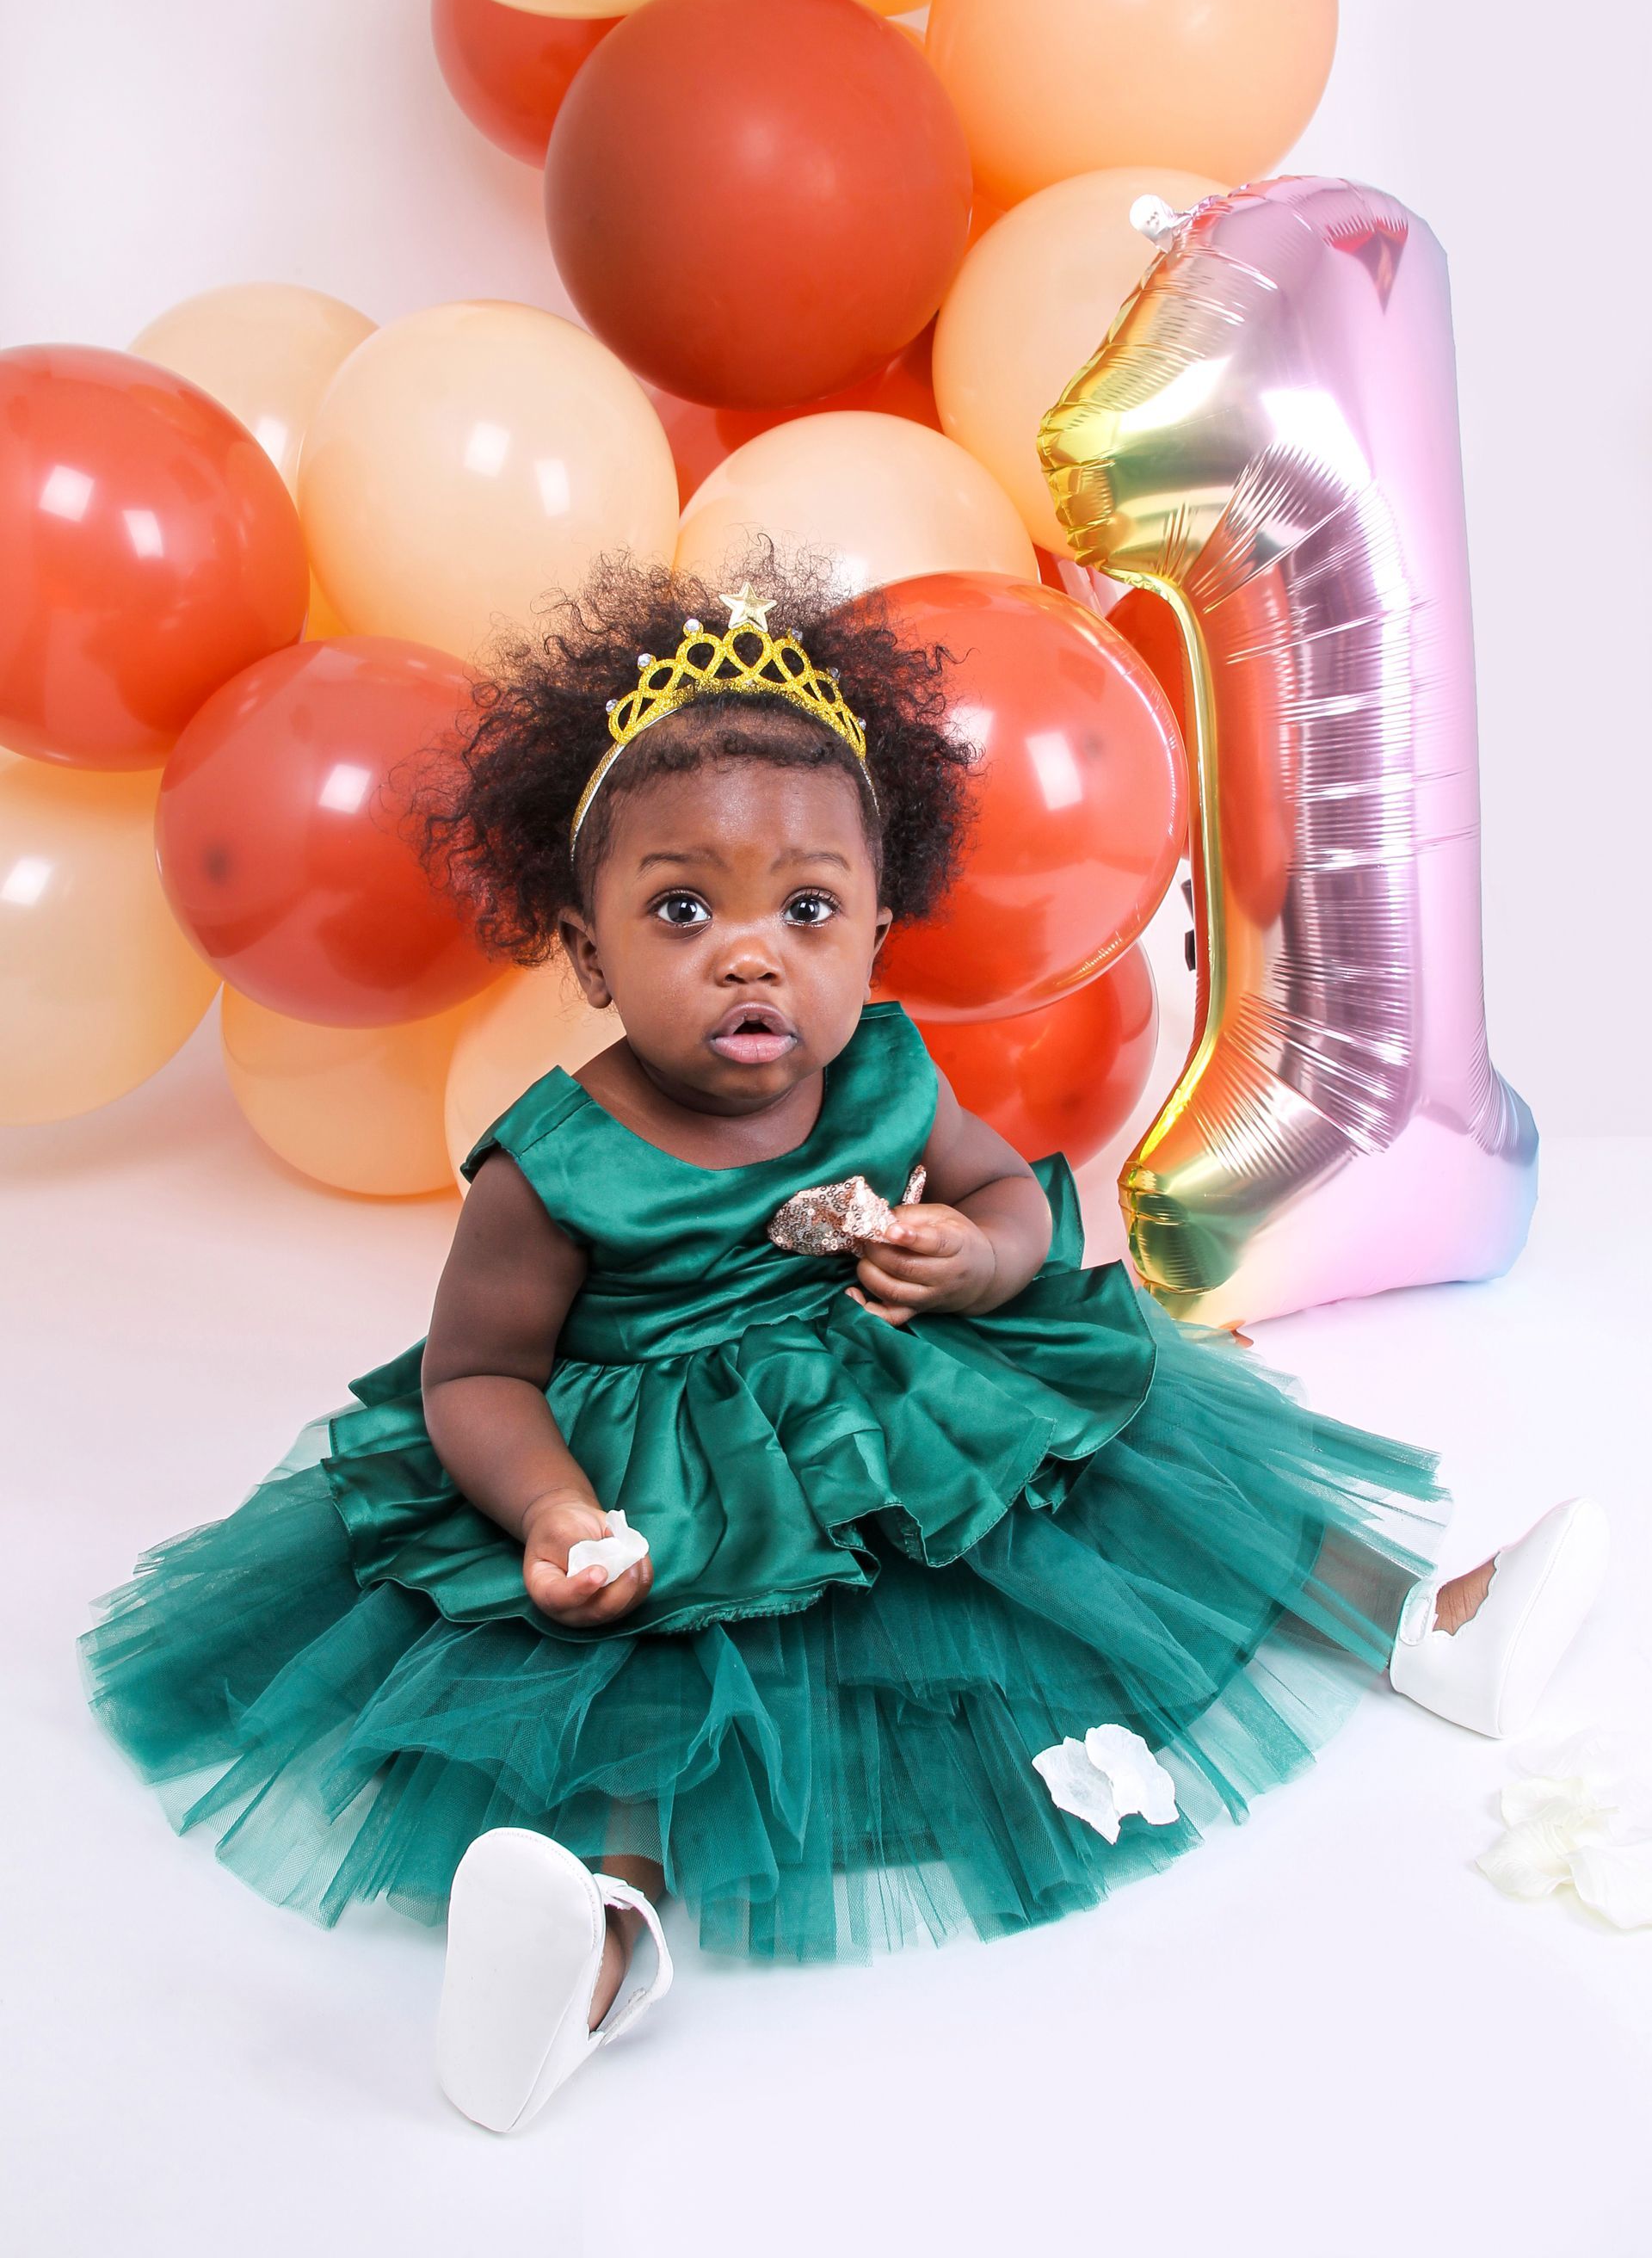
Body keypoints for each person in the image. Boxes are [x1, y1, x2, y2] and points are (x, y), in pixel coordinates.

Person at [80, 555, 1609, 2136]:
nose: (754, 955)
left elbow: (1011, 1190)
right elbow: (474, 1376)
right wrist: (551, 1509)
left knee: (1136, 1455)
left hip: (902, 1400)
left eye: (808, 910)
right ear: (590, 952)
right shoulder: (552, 1169)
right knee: (647, 1661)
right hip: (666, 1479)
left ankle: (1417, 1620)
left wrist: (983, 1255)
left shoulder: (884, 1071)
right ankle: (603, 1942)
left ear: (879, 930)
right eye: (684, 909)